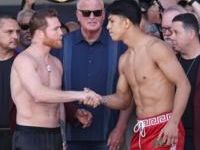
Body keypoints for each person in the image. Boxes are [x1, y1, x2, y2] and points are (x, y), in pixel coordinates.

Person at [88, 0, 190, 149]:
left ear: (126, 23)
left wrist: (173, 123)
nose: (108, 27)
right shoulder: (124, 60)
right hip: (141, 130)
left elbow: (184, 85)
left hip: (164, 128)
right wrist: (99, 99)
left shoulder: (156, 48)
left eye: (111, 21)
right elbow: (123, 100)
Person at [11, 9, 101, 150]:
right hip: (30, 135)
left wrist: (63, 138)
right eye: (56, 29)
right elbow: (39, 94)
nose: (61, 33)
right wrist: (81, 94)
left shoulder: (56, 63)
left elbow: (58, 103)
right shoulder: (24, 60)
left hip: (55, 135)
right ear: (40, 34)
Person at [60, 0, 132, 150]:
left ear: (104, 15)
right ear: (78, 15)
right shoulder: (62, 44)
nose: (92, 17)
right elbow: (54, 88)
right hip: (70, 135)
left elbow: (130, 92)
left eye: (97, 12)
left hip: (109, 136)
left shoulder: (120, 46)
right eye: (86, 13)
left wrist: (120, 128)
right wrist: (72, 113)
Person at [170, 13, 200, 150]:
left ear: (191, 34)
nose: (171, 36)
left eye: (176, 32)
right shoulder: (171, 61)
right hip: (172, 132)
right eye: (171, 32)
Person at [0, 14, 20, 150]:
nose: (16, 36)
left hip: (16, 135)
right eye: (9, 32)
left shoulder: (24, 62)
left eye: (18, 32)